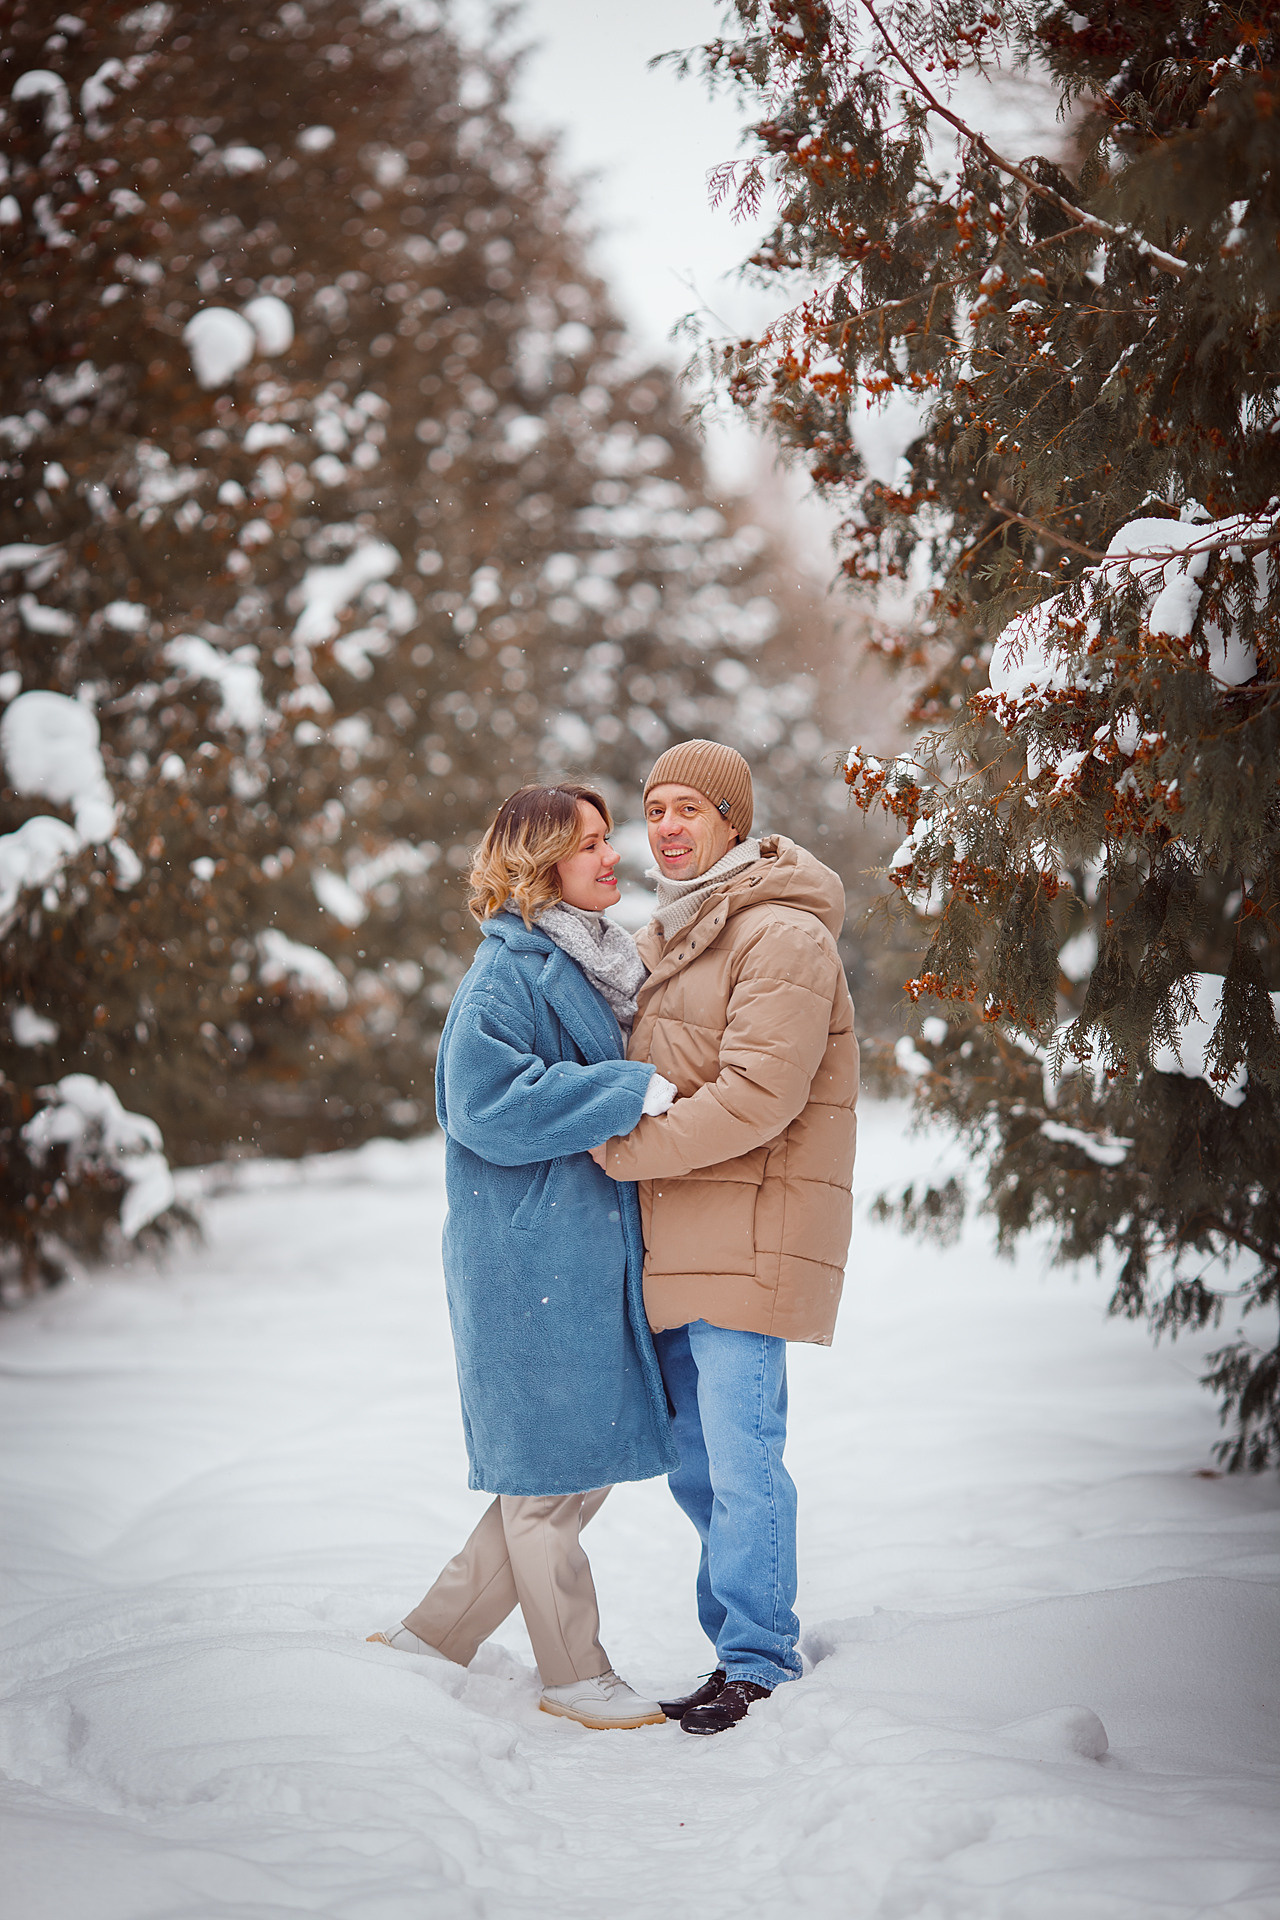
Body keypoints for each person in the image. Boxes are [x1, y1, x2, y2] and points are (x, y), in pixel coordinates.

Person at [369, 783, 680, 1730]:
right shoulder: (505, 974)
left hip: (576, 1254)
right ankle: (575, 1675)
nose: (610, 854)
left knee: (560, 1471)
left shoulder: (590, 959)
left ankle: (432, 1641)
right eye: (589, 843)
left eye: (604, 838)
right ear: (540, 863)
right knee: (550, 1482)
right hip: (529, 1259)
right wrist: (625, 1090)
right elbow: (485, 1105)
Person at [592, 740, 858, 1735]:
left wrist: (622, 1152)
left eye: (688, 809)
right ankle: (733, 1649)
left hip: (745, 1237)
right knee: (697, 1466)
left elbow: (757, 1094)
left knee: (743, 1461)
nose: (664, 825)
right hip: (679, 1243)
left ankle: (758, 1660)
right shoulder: (674, 931)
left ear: (733, 823)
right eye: (653, 807)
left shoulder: (778, 935)